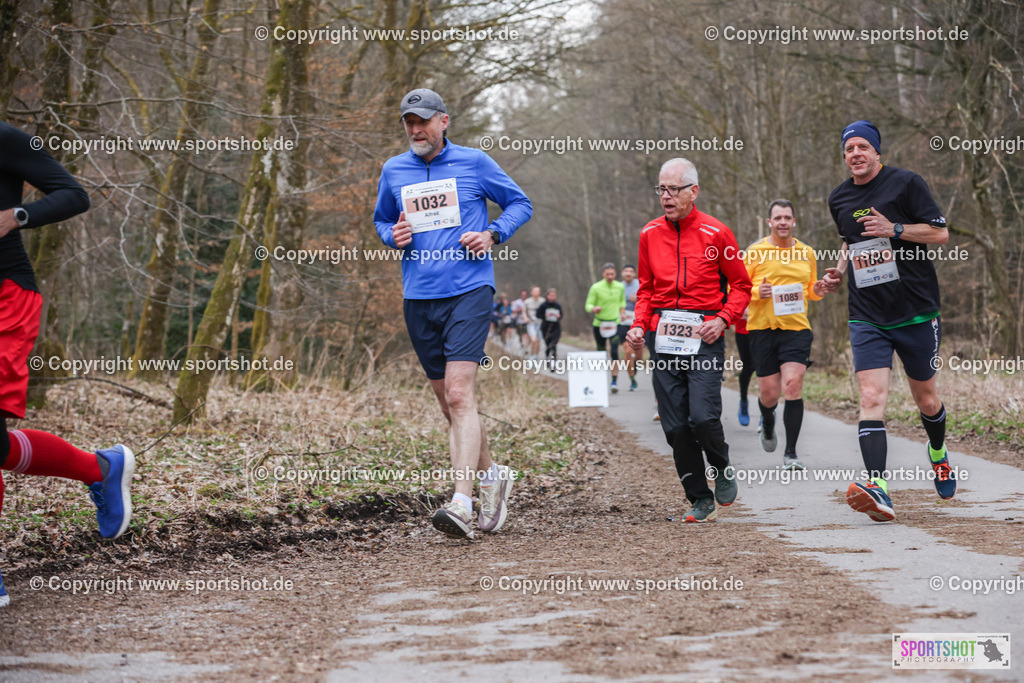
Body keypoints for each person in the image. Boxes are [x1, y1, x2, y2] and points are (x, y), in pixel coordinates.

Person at [374, 89, 532, 539]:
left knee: (461, 395)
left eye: (423, 120)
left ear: (444, 121)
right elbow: (382, 220)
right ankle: (492, 477)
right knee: (450, 405)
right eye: (408, 122)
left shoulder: (475, 163)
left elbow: (521, 203)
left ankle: (461, 503)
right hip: (419, 295)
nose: (415, 129)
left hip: (469, 289)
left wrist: (493, 233)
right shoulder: (393, 169)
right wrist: (393, 234)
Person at [0, 120, 135, 607]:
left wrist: (16, 215)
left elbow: (73, 194)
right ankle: (99, 468)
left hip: (6, 296)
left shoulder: (7, 138)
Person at [820, 120, 955, 523]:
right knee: (870, 398)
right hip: (867, 314)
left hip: (914, 310)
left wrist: (894, 228)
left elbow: (939, 234)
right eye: (848, 150)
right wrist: (839, 271)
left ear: (877, 152)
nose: (855, 154)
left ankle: (937, 453)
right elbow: (849, 241)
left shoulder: (907, 183)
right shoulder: (839, 197)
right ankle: (877, 487)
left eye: (863, 147)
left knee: (926, 400)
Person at [626, 158, 751, 523]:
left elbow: (742, 285)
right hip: (662, 334)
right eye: (661, 189)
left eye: (673, 189)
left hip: (704, 332)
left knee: (703, 417)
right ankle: (698, 497)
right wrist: (638, 325)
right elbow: (646, 289)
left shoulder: (717, 233)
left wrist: (723, 319)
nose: (666, 196)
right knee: (675, 425)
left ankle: (722, 465)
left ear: (693, 192)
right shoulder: (649, 233)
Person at [743, 199, 837, 470]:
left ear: (794, 222)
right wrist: (755, 292)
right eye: (778, 218)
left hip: (796, 329)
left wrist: (819, 289)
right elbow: (735, 288)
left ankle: (791, 454)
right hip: (762, 329)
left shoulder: (807, 252)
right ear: (769, 222)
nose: (783, 222)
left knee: (793, 385)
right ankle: (768, 422)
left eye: (787, 217)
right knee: (769, 395)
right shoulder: (755, 252)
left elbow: (811, 291)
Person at [585, 263, 626, 393]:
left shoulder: (619, 287)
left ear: (615, 274)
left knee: (614, 352)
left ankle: (614, 381)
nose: (610, 276)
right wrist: (593, 308)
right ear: (603, 274)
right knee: (601, 353)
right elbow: (588, 304)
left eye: (612, 274)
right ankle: (600, 380)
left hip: (614, 323)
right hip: (599, 324)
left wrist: (623, 312)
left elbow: (622, 302)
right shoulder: (596, 287)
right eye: (607, 274)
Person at [618, 265, 641, 391]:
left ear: (634, 274)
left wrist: (638, 300)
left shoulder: (640, 284)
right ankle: (632, 379)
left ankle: (636, 363)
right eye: (626, 271)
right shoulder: (619, 287)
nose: (628, 273)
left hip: (638, 322)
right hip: (623, 323)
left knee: (638, 355)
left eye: (631, 271)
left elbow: (648, 299)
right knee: (627, 351)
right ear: (622, 273)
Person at [732, 310, 754, 426]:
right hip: (743, 329)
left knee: (764, 370)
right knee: (748, 368)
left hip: (764, 329)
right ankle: (743, 401)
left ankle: (766, 412)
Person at [536, 288, 562, 367]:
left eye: (554, 295)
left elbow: (561, 316)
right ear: (547, 296)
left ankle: (553, 362)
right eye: (551, 295)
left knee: (553, 345)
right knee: (548, 345)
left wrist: (558, 316)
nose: (553, 297)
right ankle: (547, 358)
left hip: (556, 327)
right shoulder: (543, 305)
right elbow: (538, 315)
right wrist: (545, 316)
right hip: (546, 328)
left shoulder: (557, 305)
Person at [524, 285, 544, 360]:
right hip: (531, 323)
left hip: (539, 323)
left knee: (538, 342)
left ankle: (536, 356)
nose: (537, 292)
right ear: (531, 292)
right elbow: (524, 311)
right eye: (535, 291)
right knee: (533, 339)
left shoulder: (542, 301)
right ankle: (532, 355)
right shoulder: (527, 301)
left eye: (538, 291)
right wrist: (526, 318)